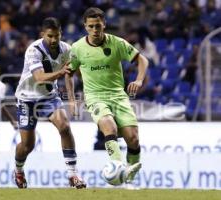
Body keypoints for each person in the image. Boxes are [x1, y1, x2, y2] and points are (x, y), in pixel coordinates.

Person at [66, 7, 149, 186]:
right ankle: (117, 165)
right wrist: (72, 100)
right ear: (85, 26)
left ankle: (129, 180)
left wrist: (139, 80)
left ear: (104, 24)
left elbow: (142, 60)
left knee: (133, 139)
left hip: (118, 96)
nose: (95, 30)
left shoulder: (117, 43)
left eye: (98, 26)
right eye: (91, 26)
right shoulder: (77, 48)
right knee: (108, 126)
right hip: (95, 97)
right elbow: (68, 73)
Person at [14, 17, 86, 189]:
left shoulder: (67, 49)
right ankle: (18, 169)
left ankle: (73, 174)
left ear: (61, 33)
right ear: (42, 35)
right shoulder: (34, 50)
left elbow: (69, 74)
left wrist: (72, 99)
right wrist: (61, 72)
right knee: (27, 145)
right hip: (27, 98)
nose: (54, 40)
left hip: (48, 97)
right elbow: (39, 78)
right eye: (50, 36)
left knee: (64, 127)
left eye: (57, 36)